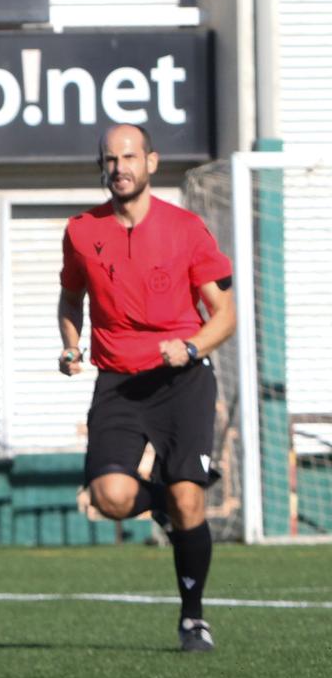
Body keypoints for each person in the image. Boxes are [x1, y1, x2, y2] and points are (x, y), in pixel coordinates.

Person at [59, 123, 237, 651]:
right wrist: (71, 346)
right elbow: (71, 300)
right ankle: (160, 500)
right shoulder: (80, 232)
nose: (120, 168)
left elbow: (224, 315)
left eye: (129, 157)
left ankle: (193, 616)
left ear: (151, 163)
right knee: (109, 498)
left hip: (182, 379)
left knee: (190, 503)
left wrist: (192, 346)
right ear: (102, 167)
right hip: (118, 382)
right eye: (111, 159)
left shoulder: (187, 229)